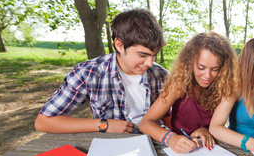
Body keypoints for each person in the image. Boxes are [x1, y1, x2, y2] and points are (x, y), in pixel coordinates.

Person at [34, 9, 169, 134]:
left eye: (154, 55)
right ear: (119, 45)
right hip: (111, 145)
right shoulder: (87, 73)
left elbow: (169, 118)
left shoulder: (161, 75)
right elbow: (43, 122)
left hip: (155, 141)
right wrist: (104, 125)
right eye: (142, 55)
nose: (150, 63)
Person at [139, 32, 237, 154]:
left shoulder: (225, 87)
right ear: (190, 62)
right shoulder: (179, 84)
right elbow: (145, 124)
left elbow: (217, 127)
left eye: (215, 69)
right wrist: (170, 138)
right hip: (179, 149)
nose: (207, 76)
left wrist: (204, 130)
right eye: (201, 67)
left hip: (209, 149)